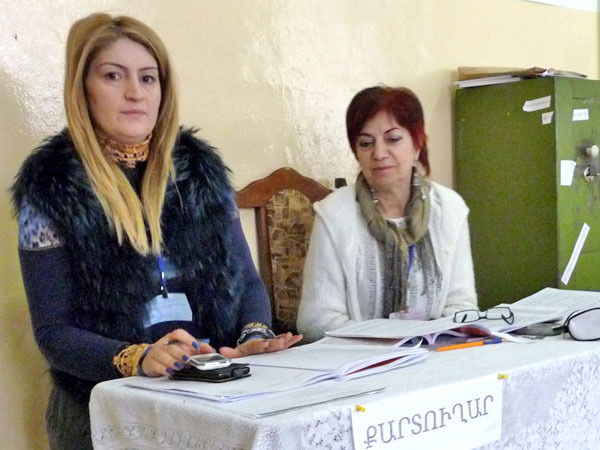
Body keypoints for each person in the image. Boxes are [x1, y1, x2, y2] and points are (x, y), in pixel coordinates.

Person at [12, 13, 301, 450]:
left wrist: (253, 337)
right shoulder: (50, 186)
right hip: (103, 411)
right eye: (113, 76)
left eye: (148, 78)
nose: (135, 92)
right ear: (82, 88)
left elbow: (245, 282)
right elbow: (55, 334)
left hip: (213, 401)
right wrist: (139, 358)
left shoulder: (201, 172)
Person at [297, 86, 477, 343]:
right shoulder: (334, 215)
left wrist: (425, 345)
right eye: (366, 143)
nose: (379, 154)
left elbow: (463, 308)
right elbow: (316, 321)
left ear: (417, 145)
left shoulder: (450, 208)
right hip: (359, 360)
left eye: (392, 139)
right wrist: (391, 344)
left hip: (436, 354)